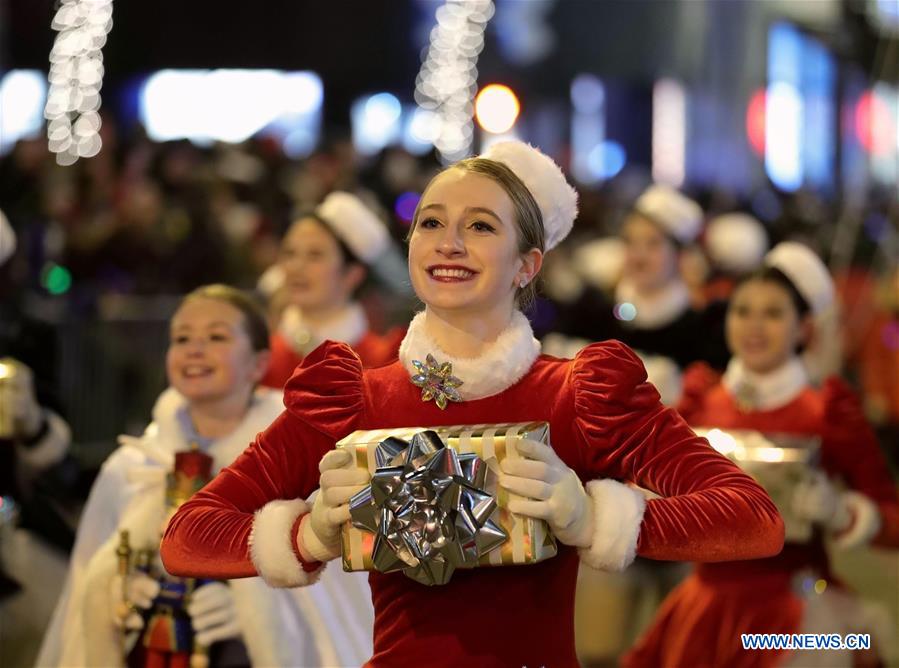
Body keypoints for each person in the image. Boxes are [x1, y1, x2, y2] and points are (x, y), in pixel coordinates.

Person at [161, 141, 784, 668]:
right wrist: (312, 533)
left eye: (481, 226)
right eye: (430, 222)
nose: (449, 242)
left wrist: (591, 518)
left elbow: (753, 518)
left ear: (526, 264)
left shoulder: (582, 395)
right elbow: (187, 537)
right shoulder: (353, 399)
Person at [38, 284, 373, 668]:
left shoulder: (300, 461)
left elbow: (331, 608)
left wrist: (255, 614)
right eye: (181, 338)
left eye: (216, 336)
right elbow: (89, 586)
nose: (194, 350)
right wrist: (118, 596)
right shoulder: (132, 466)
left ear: (259, 363)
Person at [624, 242, 899, 668]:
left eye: (773, 313)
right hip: (705, 609)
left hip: (802, 618)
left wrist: (844, 513)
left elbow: (891, 518)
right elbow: (640, 483)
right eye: (742, 311)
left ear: (803, 328)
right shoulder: (699, 402)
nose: (754, 326)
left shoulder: (827, 411)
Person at [260, 191, 405, 388]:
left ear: (353, 274)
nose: (296, 267)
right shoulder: (259, 359)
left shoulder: (380, 361)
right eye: (290, 253)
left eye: (315, 255)